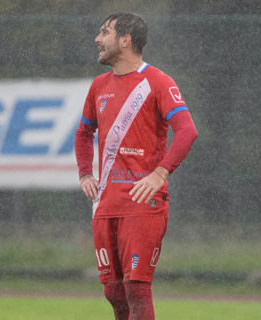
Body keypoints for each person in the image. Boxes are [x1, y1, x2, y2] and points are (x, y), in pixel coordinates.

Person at [75, 12, 198, 320]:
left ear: (126, 40)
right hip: (106, 203)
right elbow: (83, 132)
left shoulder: (158, 82)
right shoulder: (99, 86)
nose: (98, 39)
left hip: (143, 203)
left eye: (105, 32)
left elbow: (187, 130)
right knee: (113, 291)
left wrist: (161, 172)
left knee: (136, 288)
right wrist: (85, 172)